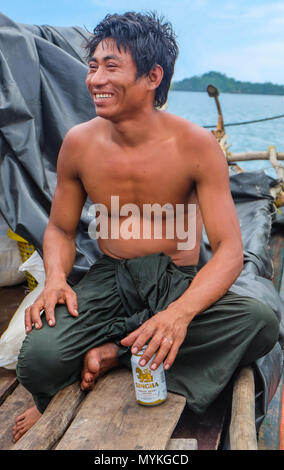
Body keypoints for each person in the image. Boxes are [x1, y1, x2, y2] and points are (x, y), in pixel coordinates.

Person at [13, 12, 279, 442]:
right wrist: (57, 280)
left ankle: (119, 353)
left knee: (260, 322)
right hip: (111, 276)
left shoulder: (196, 145)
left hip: (174, 279)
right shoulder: (79, 143)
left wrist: (179, 313)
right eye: (93, 65)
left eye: (111, 66)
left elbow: (230, 248)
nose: (95, 78)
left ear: (153, 76)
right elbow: (61, 230)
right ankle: (133, 348)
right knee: (38, 360)